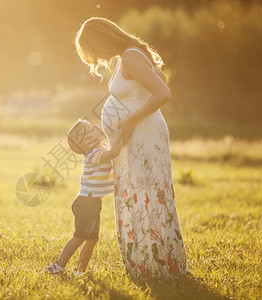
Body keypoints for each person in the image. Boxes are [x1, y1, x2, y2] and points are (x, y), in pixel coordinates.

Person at [75, 17, 191, 280]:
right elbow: (154, 80)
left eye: (95, 51)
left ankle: (158, 265)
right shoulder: (128, 57)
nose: (98, 59)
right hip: (135, 138)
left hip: (145, 136)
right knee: (137, 194)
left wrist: (130, 119)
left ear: (103, 39)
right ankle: (149, 263)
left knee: (146, 194)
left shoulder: (130, 56)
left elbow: (163, 92)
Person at [45, 119, 123, 276]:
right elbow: (114, 152)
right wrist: (122, 131)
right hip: (86, 203)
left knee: (92, 239)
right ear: (87, 142)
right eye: (91, 129)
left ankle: (80, 271)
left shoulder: (101, 148)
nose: (96, 126)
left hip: (93, 203)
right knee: (80, 236)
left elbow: (112, 149)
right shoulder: (94, 154)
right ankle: (58, 266)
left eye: (93, 125)